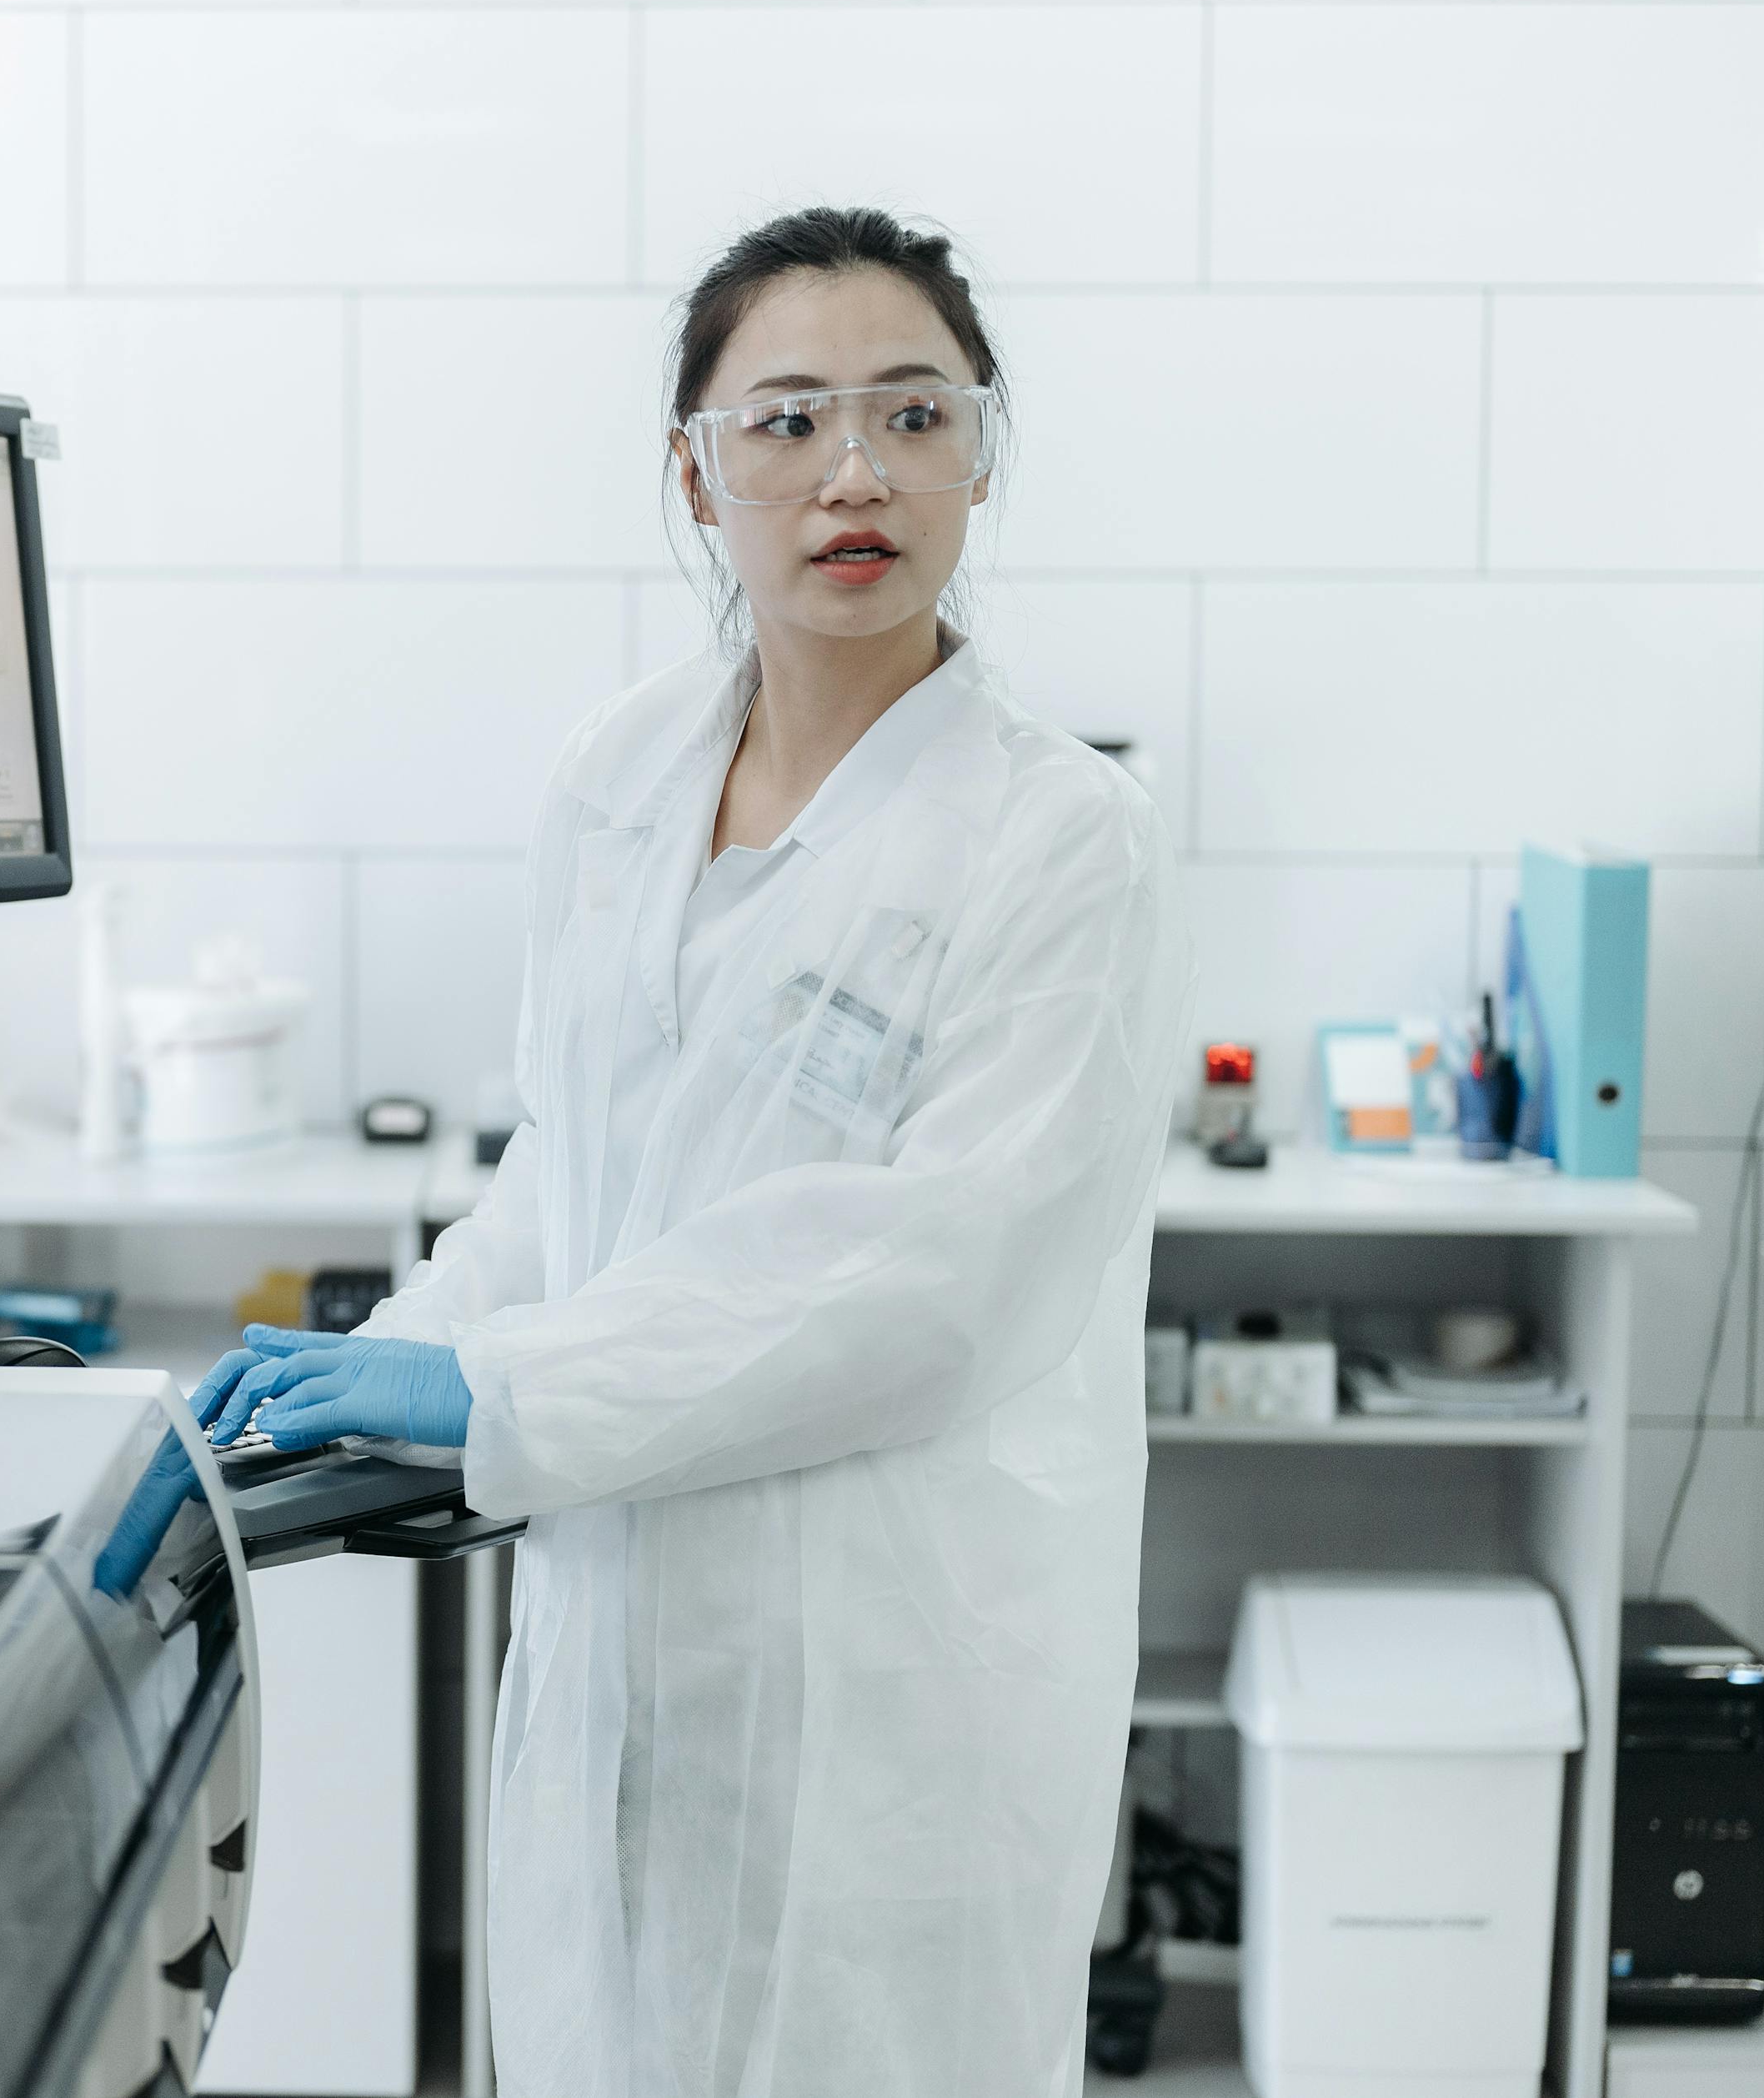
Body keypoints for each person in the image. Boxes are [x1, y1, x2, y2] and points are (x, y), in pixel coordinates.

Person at [196, 207, 1194, 2095]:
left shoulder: (1065, 838)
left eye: (914, 414)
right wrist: (377, 1366)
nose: (853, 474)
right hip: (621, 1640)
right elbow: (567, 1171)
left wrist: (492, 1388)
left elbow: (933, 1286)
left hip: (890, 1687)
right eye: (788, 419)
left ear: (982, 453)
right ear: (694, 466)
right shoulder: (617, 781)